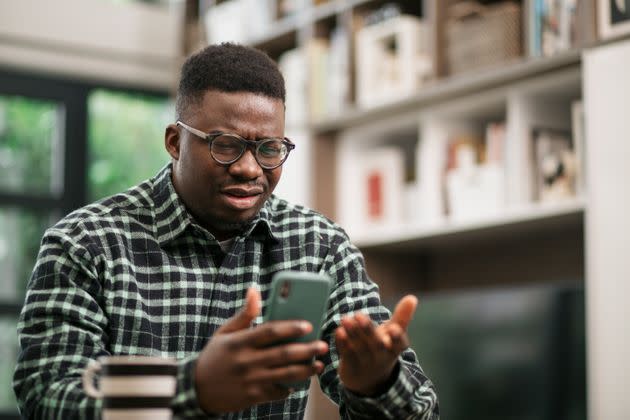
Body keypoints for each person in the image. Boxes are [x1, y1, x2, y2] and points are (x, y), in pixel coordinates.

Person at [14, 43, 439, 419]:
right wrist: (193, 387)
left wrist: (377, 385)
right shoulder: (84, 244)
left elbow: (421, 411)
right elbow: (47, 395)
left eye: (269, 149)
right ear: (175, 141)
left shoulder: (320, 248)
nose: (249, 169)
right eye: (225, 145)